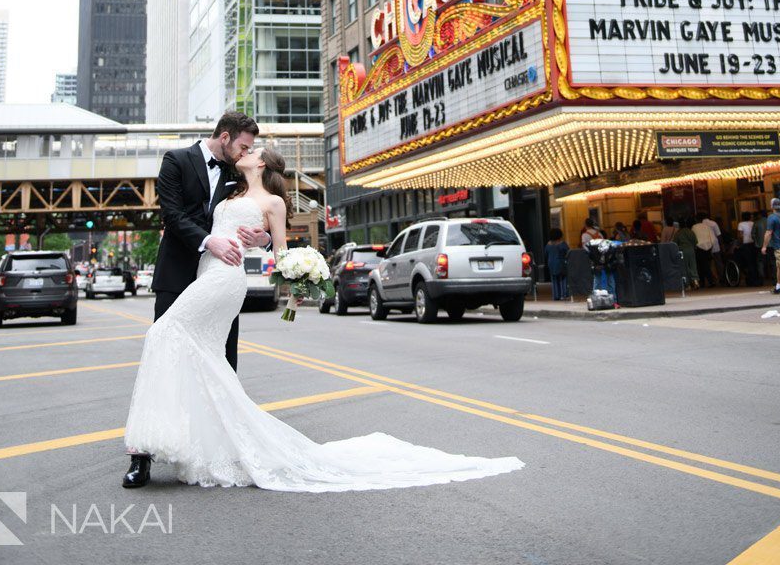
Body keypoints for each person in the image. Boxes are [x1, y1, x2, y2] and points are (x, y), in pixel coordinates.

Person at [122, 145, 523, 491]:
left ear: (262, 165)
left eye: (253, 152)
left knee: (162, 333)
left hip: (226, 280)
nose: (246, 153)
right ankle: (204, 443)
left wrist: (293, 284)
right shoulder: (229, 188)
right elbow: (193, 219)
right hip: (204, 272)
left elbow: (278, 251)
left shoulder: (273, 202)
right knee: (203, 358)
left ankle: (156, 439)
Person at [123, 112, 272, 487]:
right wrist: (210, 241)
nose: (246, 153)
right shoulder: (176, 161)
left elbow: (263, 211)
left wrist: (263, 239)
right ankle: (142, 455)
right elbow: (171, 215)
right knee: (162, 349)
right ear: (224, 137)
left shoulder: (240, 172)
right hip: (178, 272)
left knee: (223, 360)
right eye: (242, 145)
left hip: (221, 279)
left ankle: (225, 447)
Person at [673, 218, 700, 290]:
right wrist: (693, 247)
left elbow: (674, 244)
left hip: (682, 250)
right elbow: (696, 241)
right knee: (693, 265)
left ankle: (688, 285)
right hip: (691, 250)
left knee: (685, 267)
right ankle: (695, 281)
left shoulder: (678, 233)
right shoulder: (690, 231)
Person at [544, 228, 569, 300]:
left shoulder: (548, 244)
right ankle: (563, 295)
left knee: (554, 280)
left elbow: (546, 254)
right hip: (560, 263)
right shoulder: (562, 244)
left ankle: (555, 295)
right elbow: (567, 253)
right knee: (563, 279)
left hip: (551, 263)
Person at [736, 212, 758, 286]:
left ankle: (751, 280)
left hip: (745, 245)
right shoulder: (753, 223)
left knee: (748, 263)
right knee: (754, 262)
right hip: (753, 244)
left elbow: (740, 236)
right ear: (750, 217)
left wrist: (739, 245)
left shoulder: (741, 224)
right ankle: (756, 279)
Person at [693, 216, 715, 288]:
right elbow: (713, 238)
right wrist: (711, 247)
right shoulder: (707, 227)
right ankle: (709, 281)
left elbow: (693, 238)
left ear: (696, 220)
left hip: (699, 248)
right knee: (706, 265)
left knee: (701, 266)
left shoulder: (694, 227)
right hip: (708, 248)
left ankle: (706, 282)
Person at [753, 208, 769, 280]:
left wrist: (756, 242)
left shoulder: (756, 222)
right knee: (772, 261)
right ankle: (774, 277)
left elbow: (753, 235)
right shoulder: (770, 221)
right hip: (771, 244)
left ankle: (761, 276)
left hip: (760, 245)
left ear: (760, 215)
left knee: (760, 261)